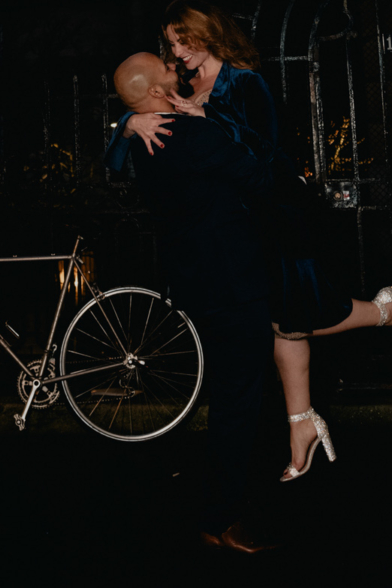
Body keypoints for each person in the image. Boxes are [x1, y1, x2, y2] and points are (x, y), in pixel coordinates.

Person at [106, 0, 392, 481]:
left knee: (295, 315)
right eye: (170, 43)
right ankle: (302, 424)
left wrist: (209, 123)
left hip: (273, 215)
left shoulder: (245, 82)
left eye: (182, 39)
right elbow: (137, 111)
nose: (176, 50)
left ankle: (382, 311)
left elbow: (268, 155)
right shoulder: (178, 85)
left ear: (206, 33)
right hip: (235, 229)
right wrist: (127, 125)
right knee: (280, 322)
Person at [111, 52, 279, 553]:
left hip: (197, 284)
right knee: (239, 401)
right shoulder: (195, 136)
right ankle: (223, 517)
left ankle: (222, 507)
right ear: (159, 91)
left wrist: (127, 122)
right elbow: (262, 176)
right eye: (164, 67)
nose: (173, 65)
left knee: (231, 395)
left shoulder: (144, 143)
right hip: (234, 283)